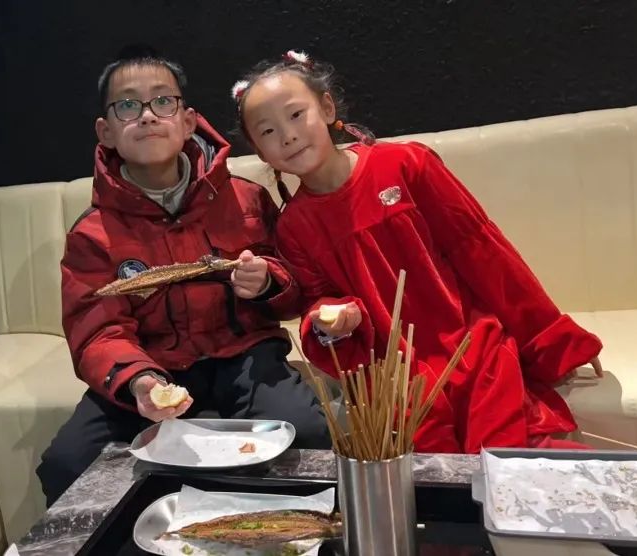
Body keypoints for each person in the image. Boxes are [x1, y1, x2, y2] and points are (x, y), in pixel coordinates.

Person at [231, 49, 604, 454]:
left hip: (472, 347)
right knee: (429, 476)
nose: (287, 135)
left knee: (509, 457)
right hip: (395, 378)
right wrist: (332, 319)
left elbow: (484, 253)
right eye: (267, 131)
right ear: (259, 151)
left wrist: (552, 341)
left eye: (295, 114)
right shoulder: (293, 227)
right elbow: (320, 299)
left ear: (326, 107)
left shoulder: (408, 165)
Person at [36, 46, 330, 507]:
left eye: (163, 101)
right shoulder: (92, 234)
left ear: (189, 120)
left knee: (309, 434)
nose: (147, 115)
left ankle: (293, 528)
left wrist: (268, 281)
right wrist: (140, 381)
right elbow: (97, 331)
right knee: (68, 463)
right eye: (127, 105)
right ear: (106, 131)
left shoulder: (246, 199)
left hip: (245, 356)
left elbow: (295, 284)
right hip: (153, 365)